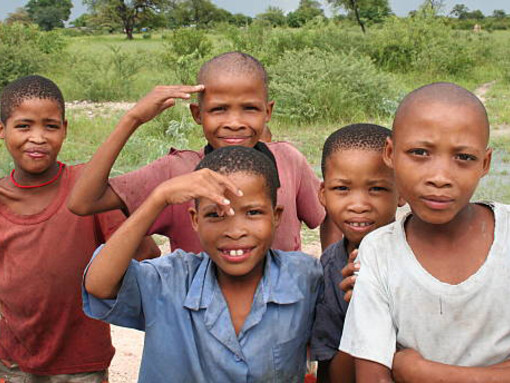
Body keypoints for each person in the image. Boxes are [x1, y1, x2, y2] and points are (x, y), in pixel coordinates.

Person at [82, 146, 323, 382]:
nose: (235, 231)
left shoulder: (305, 277)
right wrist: (158, 198)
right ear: (195, 221)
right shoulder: (170, 281)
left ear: (276, 216)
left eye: (252, 213)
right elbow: (99, 285)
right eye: (215, 215)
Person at [68, 51, 338, 253]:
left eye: (250, 108)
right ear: (197, 114)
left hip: (284, 322)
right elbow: (83, 202)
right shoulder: (176, 172)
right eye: (219, 109)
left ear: (268, 112)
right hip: (198, 322)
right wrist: (133, 119)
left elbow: (330, 214)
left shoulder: (288, 161)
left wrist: (330, 269)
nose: (234, 122)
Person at [340, 82, 510, 382]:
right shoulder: (378, 253)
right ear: (390, 153)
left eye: (464, 158)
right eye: (419, 152)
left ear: (485, 163)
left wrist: (420, 371)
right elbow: (373, 377)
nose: (440, 177)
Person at [0, 75, 159, 382]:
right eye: (23, 126)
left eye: (50, 125)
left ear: (65, 129)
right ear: (2, 130)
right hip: (12, 363)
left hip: (82, 363)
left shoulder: (86, 193)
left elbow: (145, 256)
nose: (38, 137)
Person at [309, 124, 402, 383]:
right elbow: (332, 376)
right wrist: (361, 308)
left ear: (401, 192)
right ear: (323, 194)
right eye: (342, 189)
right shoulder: (331, 267)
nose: (359, 205)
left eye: (377, 189)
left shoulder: (424, 255)